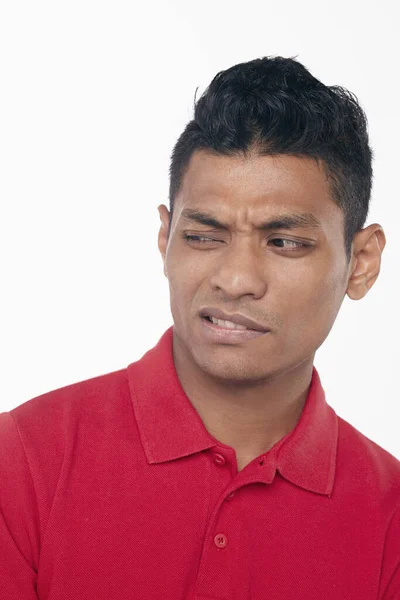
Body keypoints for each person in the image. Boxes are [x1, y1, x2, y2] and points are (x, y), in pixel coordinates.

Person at [0, 55, 399, 600]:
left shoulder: (390, 515)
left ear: (361, 263)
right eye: (205, 236)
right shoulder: (21, 460)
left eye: (284, 242)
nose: (235, 280)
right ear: (165, 240)